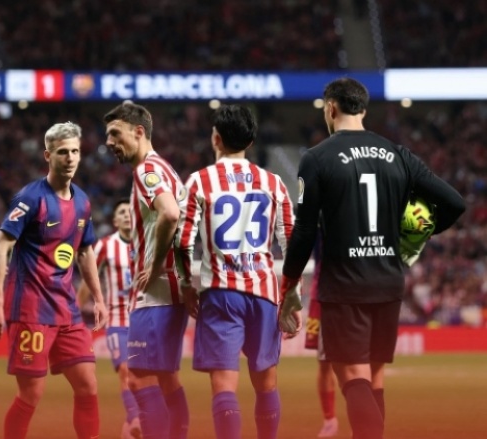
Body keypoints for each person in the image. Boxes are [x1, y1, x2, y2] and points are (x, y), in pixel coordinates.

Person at [281, 77, 466, 439]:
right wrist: (415, 237)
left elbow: (303, 231)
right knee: (374, 378)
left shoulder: (316, 158)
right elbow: (454, 203)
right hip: (388, 283)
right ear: (363, 110)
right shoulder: (399, 154)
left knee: (352, 378)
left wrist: (289, 284)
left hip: (344, 286)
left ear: (330, 108)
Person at [174, 104, 297, 439]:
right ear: (252, 141)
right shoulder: (273, 183)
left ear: (215, 138)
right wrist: (292, 295)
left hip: (221, 294)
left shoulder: (199, 182)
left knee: (224, 385)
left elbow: (182, 242)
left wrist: (186, 285)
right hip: (263, 294)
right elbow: (291, 242)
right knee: (266, 384)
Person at [0, 122, 108, 439]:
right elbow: (0, 249)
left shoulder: (83, 202)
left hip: (67, 309)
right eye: (63, 152)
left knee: (88, 385)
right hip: (31, 310)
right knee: (31, 394)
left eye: (75, 151)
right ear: (48, 155)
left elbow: (85, 252)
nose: (70, 158)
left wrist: (99, 298)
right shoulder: (30, 198)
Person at [104, 102, 190, 439]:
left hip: (155, 295)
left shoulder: (146, 170)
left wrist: (153, 267)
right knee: (167, 379)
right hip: (171, 290)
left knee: (138, 378)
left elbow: (170, 213)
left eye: (115, 134)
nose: (109, 142)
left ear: (138, 132)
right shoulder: (166, 169)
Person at [77, 199, 142, 439]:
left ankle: (131, 427)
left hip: (144, 321)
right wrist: (75, 310)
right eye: (121, 212)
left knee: (144, 377)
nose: (126, 215)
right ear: (115, 220)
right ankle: (135, 418)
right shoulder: (106, 245)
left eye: (129, 211)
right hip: (117, 320)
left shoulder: (146, 243)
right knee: (125, 370)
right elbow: (89, 278)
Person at [304, 235, 339, 438]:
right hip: (324, 293)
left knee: (357, 362)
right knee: (324, 362)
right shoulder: (317, 222)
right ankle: (329, 419)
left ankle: (361, 418)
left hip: (353, 292)